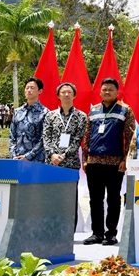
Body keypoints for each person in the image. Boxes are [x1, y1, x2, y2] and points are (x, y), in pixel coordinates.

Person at [82, 77, 135, 246]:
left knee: (113, 199)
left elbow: (130, 137)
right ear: (100, 91)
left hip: (115, 163)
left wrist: (126, 159)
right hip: (94, 162)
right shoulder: (94, 110)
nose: (107, 92)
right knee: (95, 199)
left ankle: (111, 233)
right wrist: (85, 159)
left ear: (117, 92)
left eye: (111, 89)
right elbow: (87, 136)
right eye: (104, 89)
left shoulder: (125, 110)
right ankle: (96, 233)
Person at [43, 82, 88, 228]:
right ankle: (51, 228)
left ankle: (69, 231)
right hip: (51, 164)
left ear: (74, 95)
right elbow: (46, 137)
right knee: (51, 197)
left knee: (69, 199)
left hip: (70, 164)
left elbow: (77, 139)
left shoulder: (81, 116)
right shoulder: (50, 115)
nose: (66, 94)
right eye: (63, 92)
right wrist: (52, 155)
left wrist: (62, 155)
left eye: (69, 92)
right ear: (58, 96)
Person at [9, 77, 48, 162]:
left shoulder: (45, 112)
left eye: (32, 88)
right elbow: (12, 135)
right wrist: (13, 154)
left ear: (40, 91)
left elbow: (44, 138)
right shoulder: (17, 112)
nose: (29, 90)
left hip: (36, 160)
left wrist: (28, 156)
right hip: (16, 158)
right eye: (27, 88)